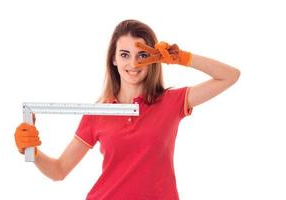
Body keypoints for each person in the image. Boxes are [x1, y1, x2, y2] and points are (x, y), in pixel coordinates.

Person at [14, 19, 240, 199]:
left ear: (153, 59)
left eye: (142, 55)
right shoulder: (98, 113)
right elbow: (59, 170)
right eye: (124, 55)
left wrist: (183, 58)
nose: (133, 64)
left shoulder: (171, 103)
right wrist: (30, 151)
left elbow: (230, 76)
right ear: (113, 59)